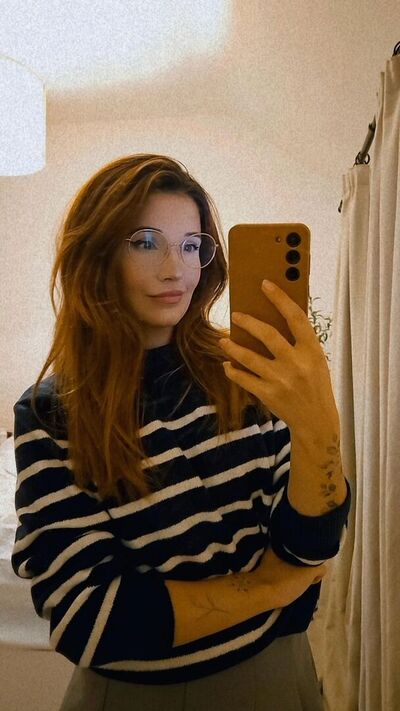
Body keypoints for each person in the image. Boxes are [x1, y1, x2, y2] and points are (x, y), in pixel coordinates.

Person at [11, 153, 351, 711]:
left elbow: (309, 544)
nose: (176, 270)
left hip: (278, 672)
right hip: (133, 696)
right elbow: (92, 620)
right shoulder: (51, 413)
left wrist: (319, 424)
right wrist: (270, 587)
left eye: (191, 245)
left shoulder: (244, 375)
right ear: (97, 255)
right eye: (146, 242)